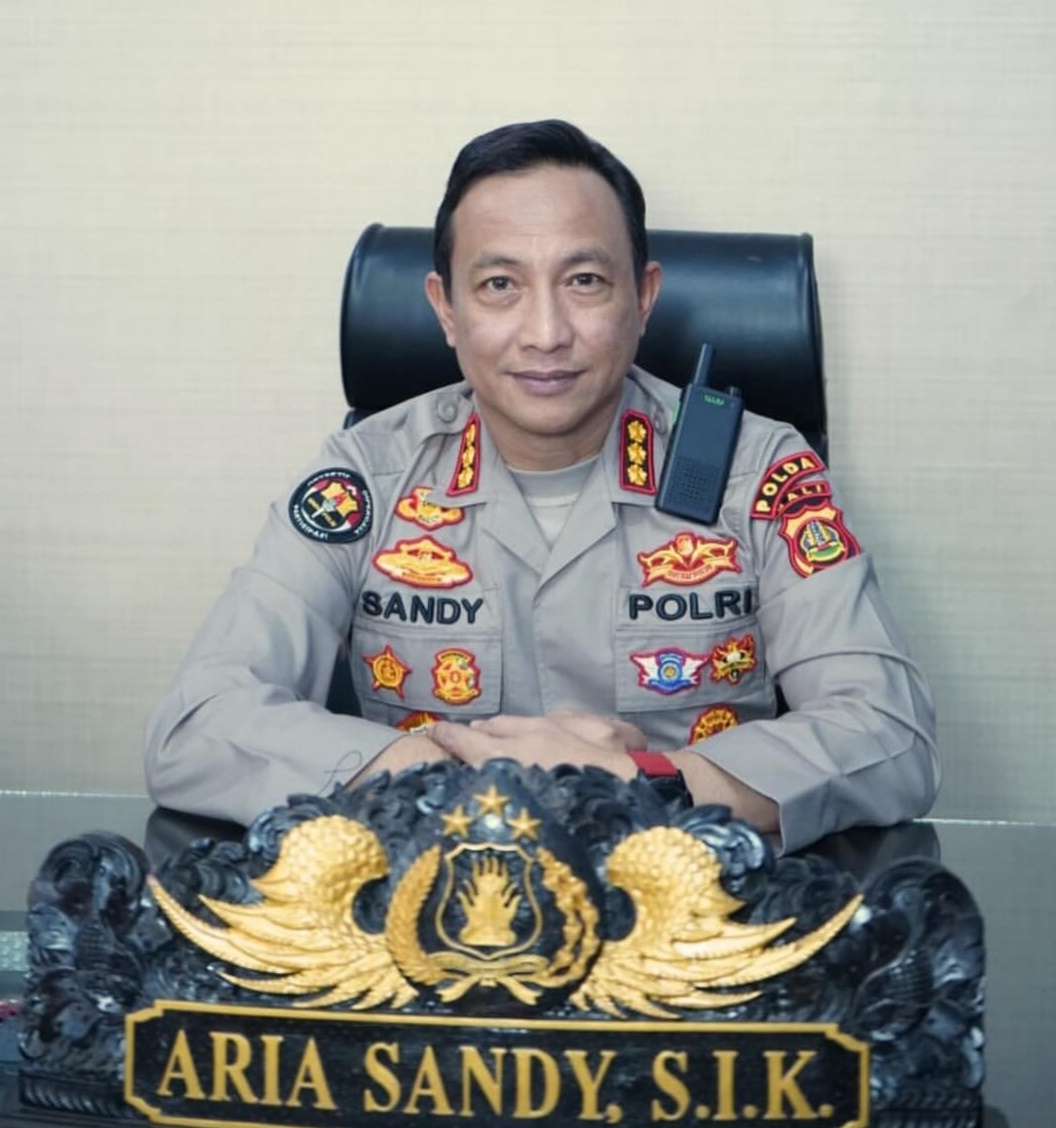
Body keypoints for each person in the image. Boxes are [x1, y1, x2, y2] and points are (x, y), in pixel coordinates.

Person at [145, 119, 938, 853]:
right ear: (446, 309)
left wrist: (650, 785)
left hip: (688, 910)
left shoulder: (757, 471)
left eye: (584, 280)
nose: (547, 333)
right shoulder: (367, 478)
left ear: (643, 298)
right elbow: (197, 723)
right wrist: (436, 777)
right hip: (426, 907)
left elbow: (889, 731)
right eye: (500, 285)